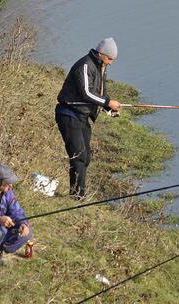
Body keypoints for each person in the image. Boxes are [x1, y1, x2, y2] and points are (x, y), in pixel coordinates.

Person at [55, 37, 122, 198]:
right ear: (101, 54)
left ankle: (78, 193)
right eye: (110, 59)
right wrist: (107, 102)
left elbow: (101, 92)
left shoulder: (101, 67)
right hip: (68, 113)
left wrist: (108, 108)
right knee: (78, 155)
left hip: (82, 117)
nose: (111, 62)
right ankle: (78, 196)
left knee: (86, 157)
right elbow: (86, 93)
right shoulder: (85, 65)